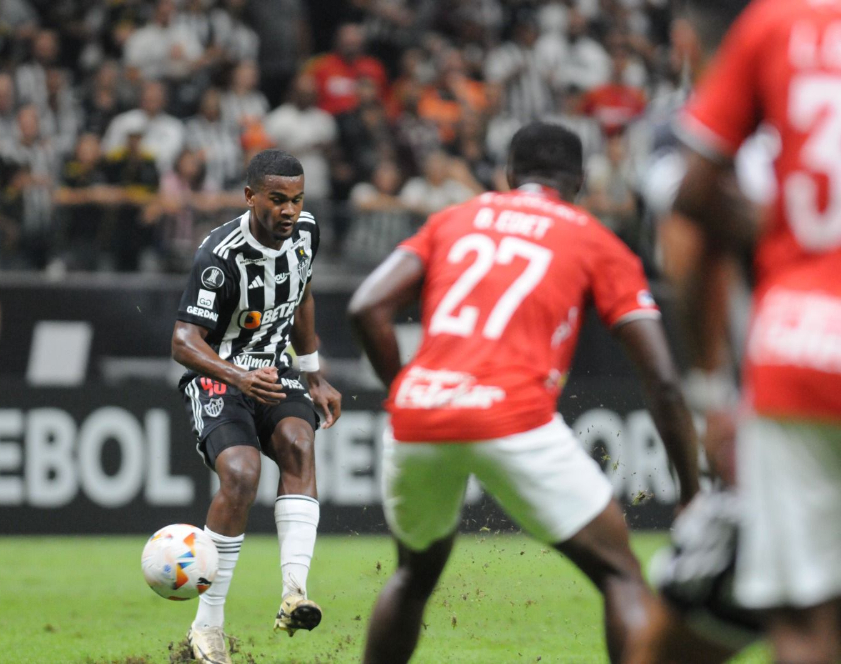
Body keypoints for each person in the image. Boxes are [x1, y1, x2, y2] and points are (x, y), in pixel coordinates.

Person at [349, 123, 699, 664]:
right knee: (620, 574)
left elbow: (366, 306)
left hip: (418, 414)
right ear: (579, 180)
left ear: (509, 174)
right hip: (511, 414)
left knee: (413, 576)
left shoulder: (454, 218)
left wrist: (404, 387)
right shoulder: (593, 238)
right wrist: (693, 492)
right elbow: (665, 382)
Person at [672, 0, 841, 662]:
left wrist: (782, 234)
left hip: (802, 340)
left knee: (804, 617)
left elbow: (691, 193)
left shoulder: (776, 24)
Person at [171, 149, 341, 664]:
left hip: (275, 368)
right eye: (277, 200)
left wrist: (312, 370)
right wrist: (240, 375)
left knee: (298, 442)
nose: (289, 210)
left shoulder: (306, 232)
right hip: (220, 374)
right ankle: (207, 629)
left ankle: (294, 594)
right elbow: (183, 341)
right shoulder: (218, 256)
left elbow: (303, 293)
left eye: (296, 199)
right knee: (242, 474)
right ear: (250, 197)